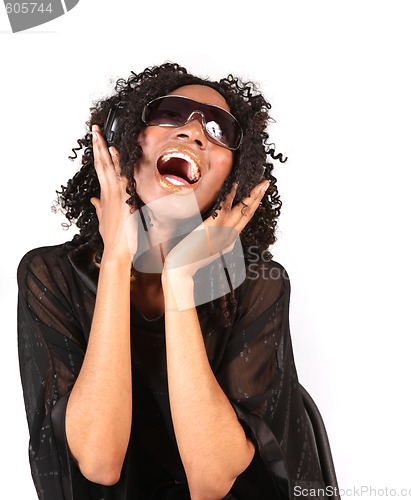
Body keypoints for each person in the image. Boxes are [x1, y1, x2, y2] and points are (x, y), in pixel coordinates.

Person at [17, 62, 328, 499]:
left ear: (231, 183)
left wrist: (181, 280)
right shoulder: (50, 276)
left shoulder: (259, 282)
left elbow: (210, 481)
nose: (195, 133)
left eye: (220, 130)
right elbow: (98, 463)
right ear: (124, 141)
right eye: (171, 113)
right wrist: (117, 259)